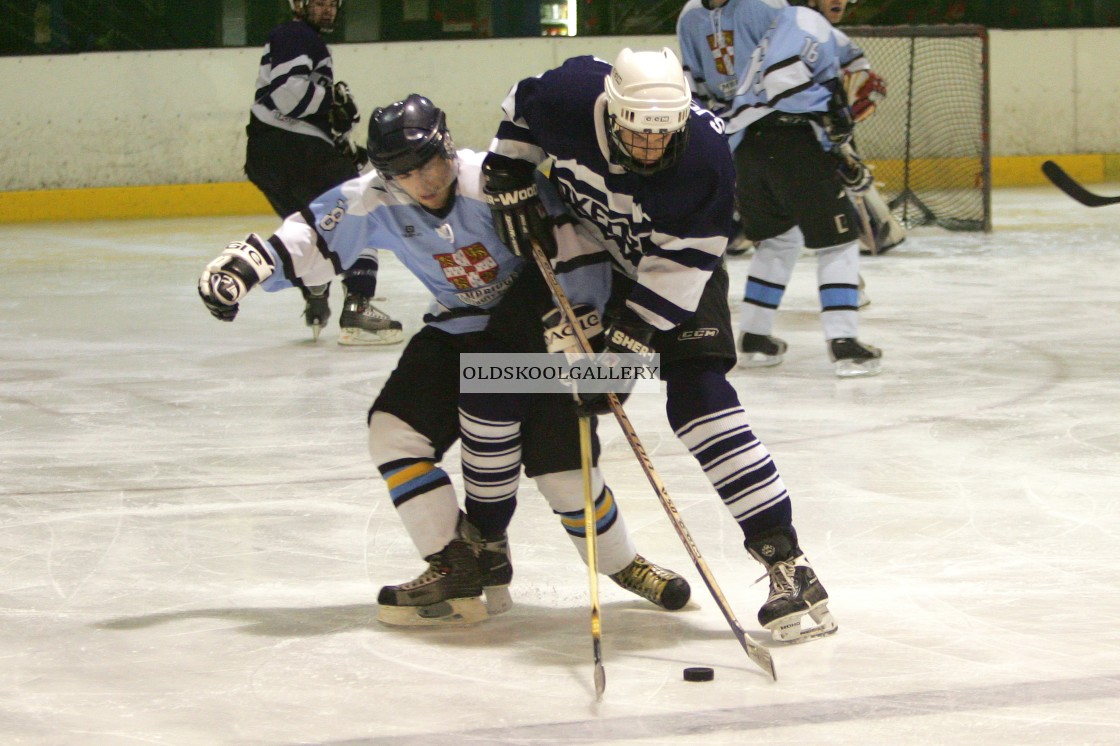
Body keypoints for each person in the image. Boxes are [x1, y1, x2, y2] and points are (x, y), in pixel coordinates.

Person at [199, 94, 691, 627]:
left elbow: (576, 247)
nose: (426, 180)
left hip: (541, 331)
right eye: (406, 172)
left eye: (431, 161)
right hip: (457, 327)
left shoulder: (495, 181)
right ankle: (458, 561)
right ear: (387, 176)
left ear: (448, 147)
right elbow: (310, 234)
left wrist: (584, 325)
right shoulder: (374, 198)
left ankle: (620, 563)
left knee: (563, 471)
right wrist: (242, 269)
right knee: (392, 432)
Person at [483, 48, 835, 643]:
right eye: (636, 135)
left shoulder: (705, 160)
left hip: (672, 271)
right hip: (588, 256)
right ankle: (486, 536)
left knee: (698, 401)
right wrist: (510, 169)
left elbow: (685, 265)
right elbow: (522, 105)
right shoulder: (570, 94)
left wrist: (627, 343)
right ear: (612, 110)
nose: (649, 149)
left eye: (661, 137)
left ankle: (788, 564)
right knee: (513, 376)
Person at [677, 0, 883, 376]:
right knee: (838, 242)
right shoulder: (780, 10)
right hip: (793, 139)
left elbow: (695, 88)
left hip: (740, 146)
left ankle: (755, 337)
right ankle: (845, 345)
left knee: (778, 240)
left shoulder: (690, 15)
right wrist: (832, 120)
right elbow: (788, 75)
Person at [244, 0, 402, 346]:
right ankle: (358, 304)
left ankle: (315, 291)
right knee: (364, 205)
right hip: (294, 150)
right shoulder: (296, 34)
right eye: (319, 2)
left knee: (316, 226)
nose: (328, 9)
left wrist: (338, 135)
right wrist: (332, 101)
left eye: (332, 3)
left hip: (268, 157)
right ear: (298, 4)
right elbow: (290, 96)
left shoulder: (300, 37)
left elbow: (300, 107)